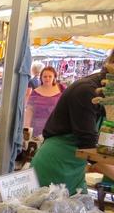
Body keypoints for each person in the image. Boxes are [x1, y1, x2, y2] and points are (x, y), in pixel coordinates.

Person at [31, 50, 114, 194]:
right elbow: (89, 146)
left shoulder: (109, 95)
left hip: (76, 169)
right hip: (56, 164)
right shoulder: (86, 91)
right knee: (47, 207)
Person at [24, 66, 65, 137]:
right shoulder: (35, 92)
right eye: (45, 76)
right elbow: (29, 111)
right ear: (41, 78)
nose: (47, 78)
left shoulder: (61, 89)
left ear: (54, 77)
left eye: (50, 76)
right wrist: (26, 128)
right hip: (37, 129)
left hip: (55, 128)